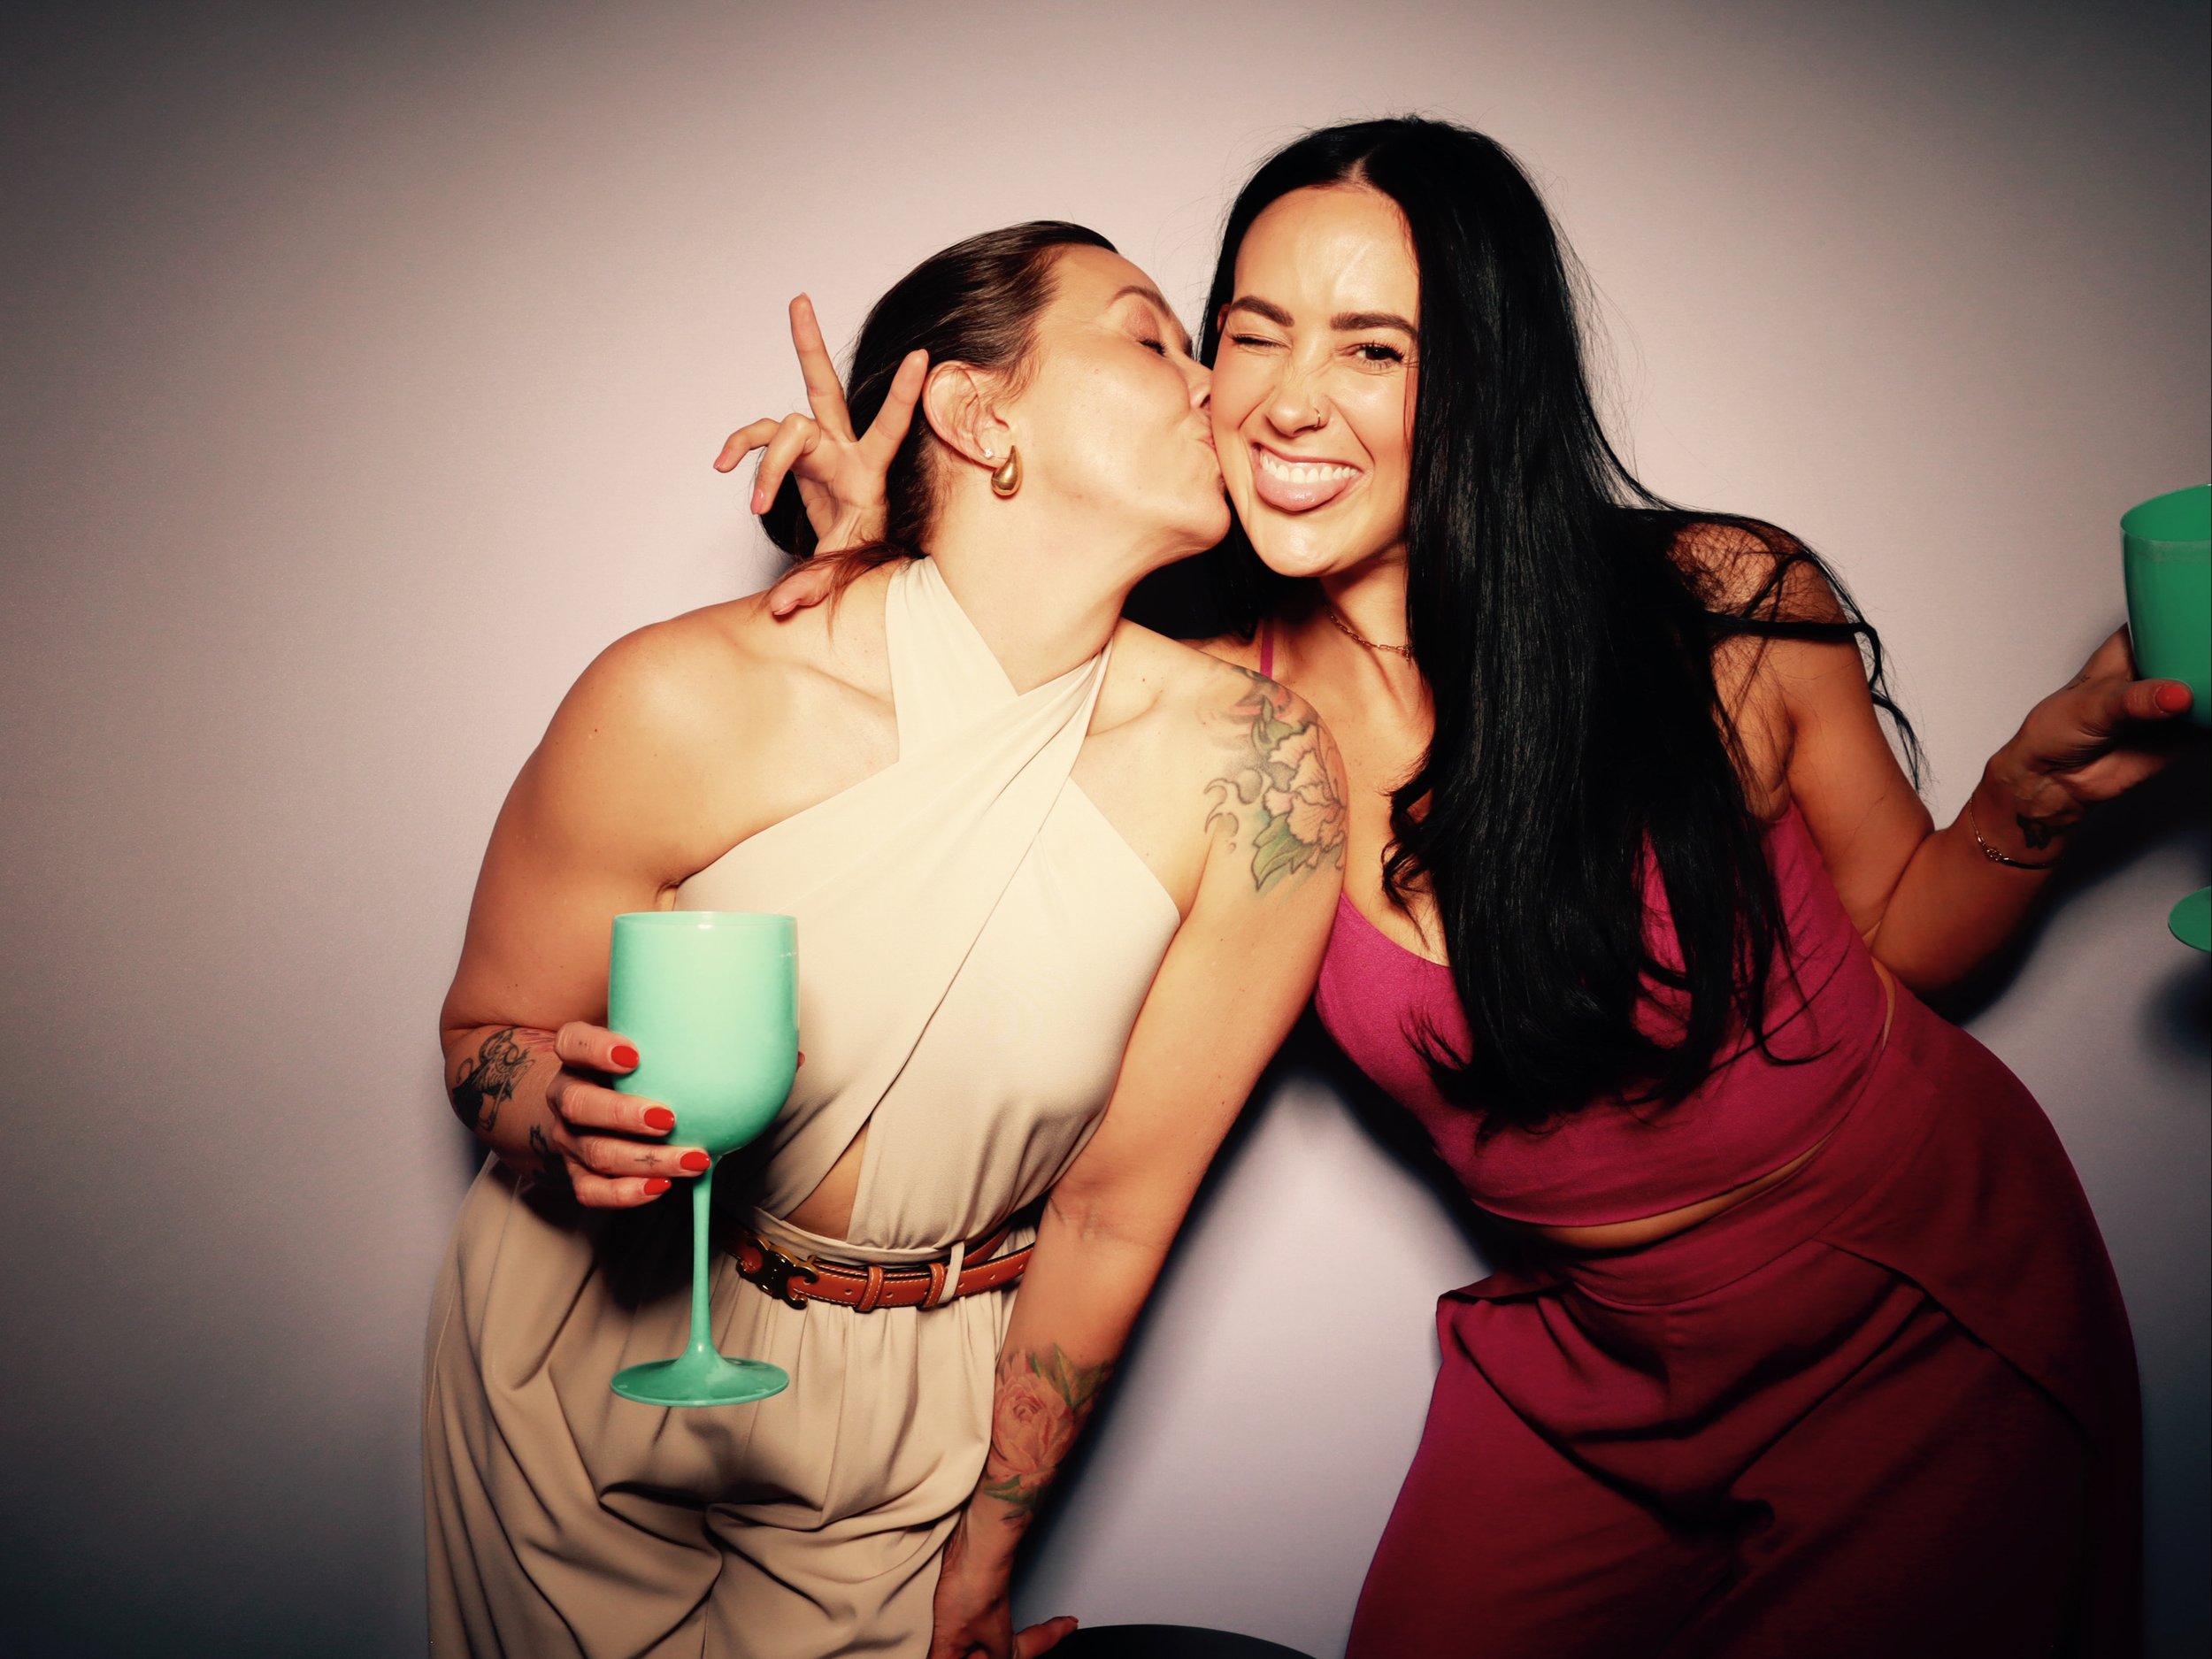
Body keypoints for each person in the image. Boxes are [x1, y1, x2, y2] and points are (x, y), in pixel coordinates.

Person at [731, 119, 2193, 1656]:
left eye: (1375, 348)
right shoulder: (1207, 719)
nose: (1292, 400)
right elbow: (952, 750)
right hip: (1594, 1355)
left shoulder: (1715, 607)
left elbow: (1911, 940)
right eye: (1253, 332)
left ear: (1483, 379)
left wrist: (2025, 810)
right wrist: (887, 534)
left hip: (1907, 1317)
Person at [425, 220, 1347, 1659]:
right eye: (1152, 336)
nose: (1213, 387)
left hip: (920, 1389)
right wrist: (556, 1106)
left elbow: (1115, 1210)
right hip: (594, 1346)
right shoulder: (682, 695)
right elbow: (486, 1028)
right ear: (982, 416)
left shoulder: (1256, 773)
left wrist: (989, 1552)